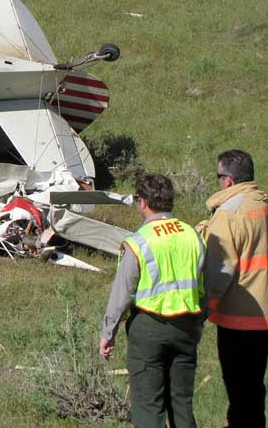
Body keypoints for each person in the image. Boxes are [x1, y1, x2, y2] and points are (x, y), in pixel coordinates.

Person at [99, 173, 206, 428]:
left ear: (143, 202)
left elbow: (122, 293)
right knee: (181, 403)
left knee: (148, 404)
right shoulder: (192, 235)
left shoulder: (139, 242)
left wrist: (108, 332)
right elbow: (206, 284)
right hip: (187, 326)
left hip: (149, 327)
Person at [197, 149, 268, 428]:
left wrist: (205, 306)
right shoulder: (263, 204)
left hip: (240, 317)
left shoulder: (229, 214)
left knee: (239, 390)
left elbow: (220, 270)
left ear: (227, 180)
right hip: (263, 314)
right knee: (254, 387)